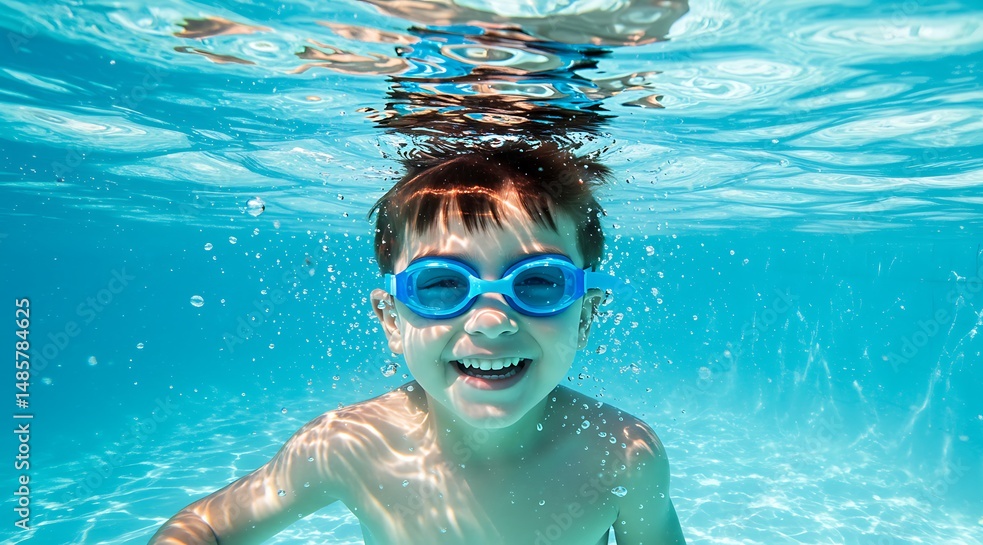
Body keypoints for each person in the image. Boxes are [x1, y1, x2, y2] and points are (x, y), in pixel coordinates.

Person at [149, 141, 685, 545]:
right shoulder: (348, 447)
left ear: (585, 316)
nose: (492, 322)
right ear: (391, 321)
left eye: (539, 282)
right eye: (442, 285)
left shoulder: (623, 455)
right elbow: (205, 526)